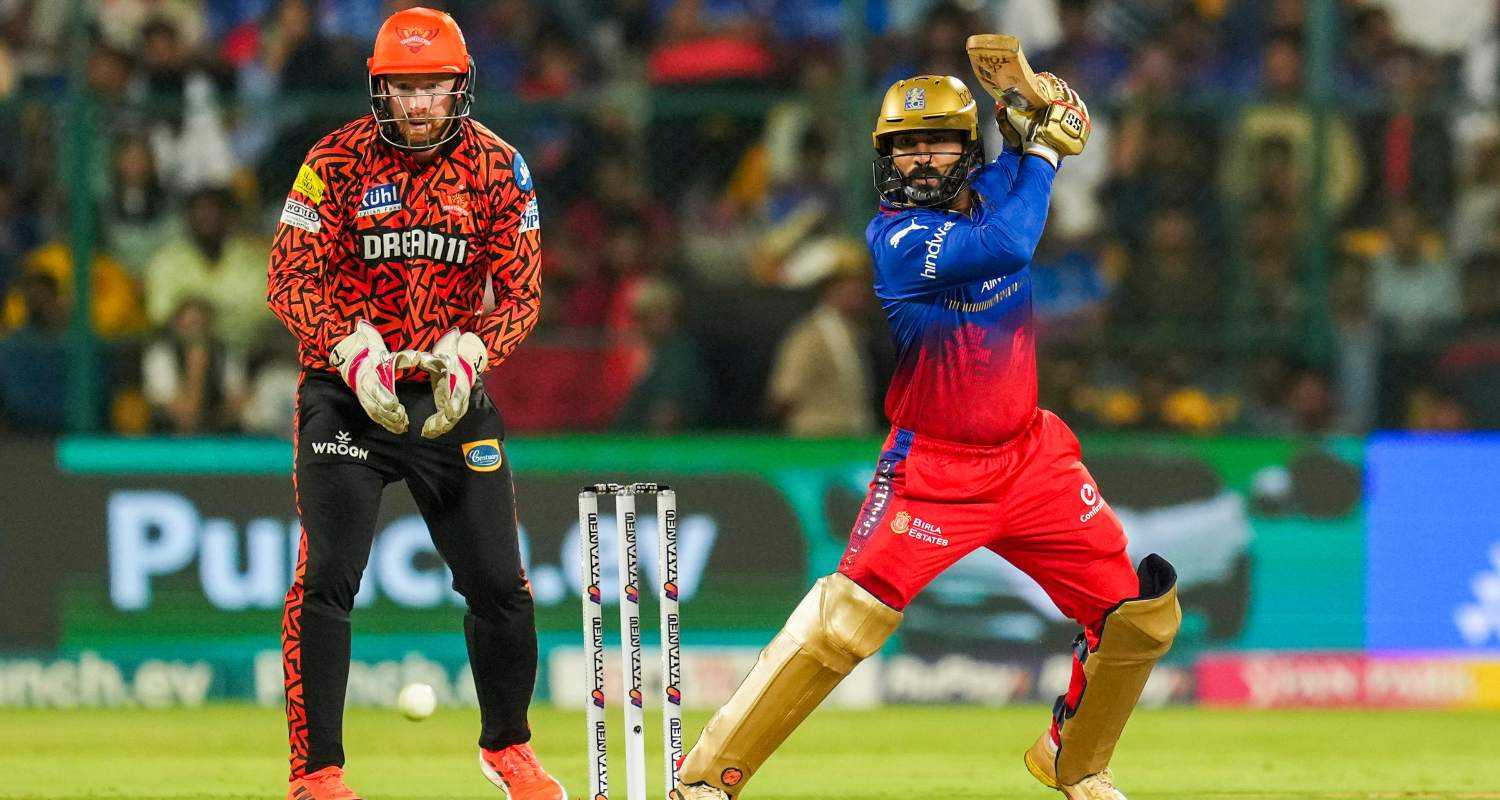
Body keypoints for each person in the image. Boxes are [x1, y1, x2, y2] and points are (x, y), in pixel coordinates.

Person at [672, 72, 1180, 800]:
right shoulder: (899, 238)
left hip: (1032, 458)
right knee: (846, 622)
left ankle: (1076, 765)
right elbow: (1008, 244)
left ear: (967, 151)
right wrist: (1045, 156)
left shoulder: (998, 187)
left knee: (1138, 617)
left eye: (936, 144)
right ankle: (705, 781)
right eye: (904, 147)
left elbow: (1030, 159)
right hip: (934, 474)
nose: (919, 160)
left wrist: (1040, 122)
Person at [265, 8, 558, 800]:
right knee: (326, 576)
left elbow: (522, 294)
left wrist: (473, 351)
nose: (418, 105)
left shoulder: (502, 168)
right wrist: (351, 351)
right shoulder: (332, 162)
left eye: (432, 87)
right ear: (379, 86)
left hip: (449, 397)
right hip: (348, 395)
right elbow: (289, 278)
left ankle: (509, 750)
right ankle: (317, 775)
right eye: (403, 87)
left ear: (459, 86)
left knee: (500, 583)